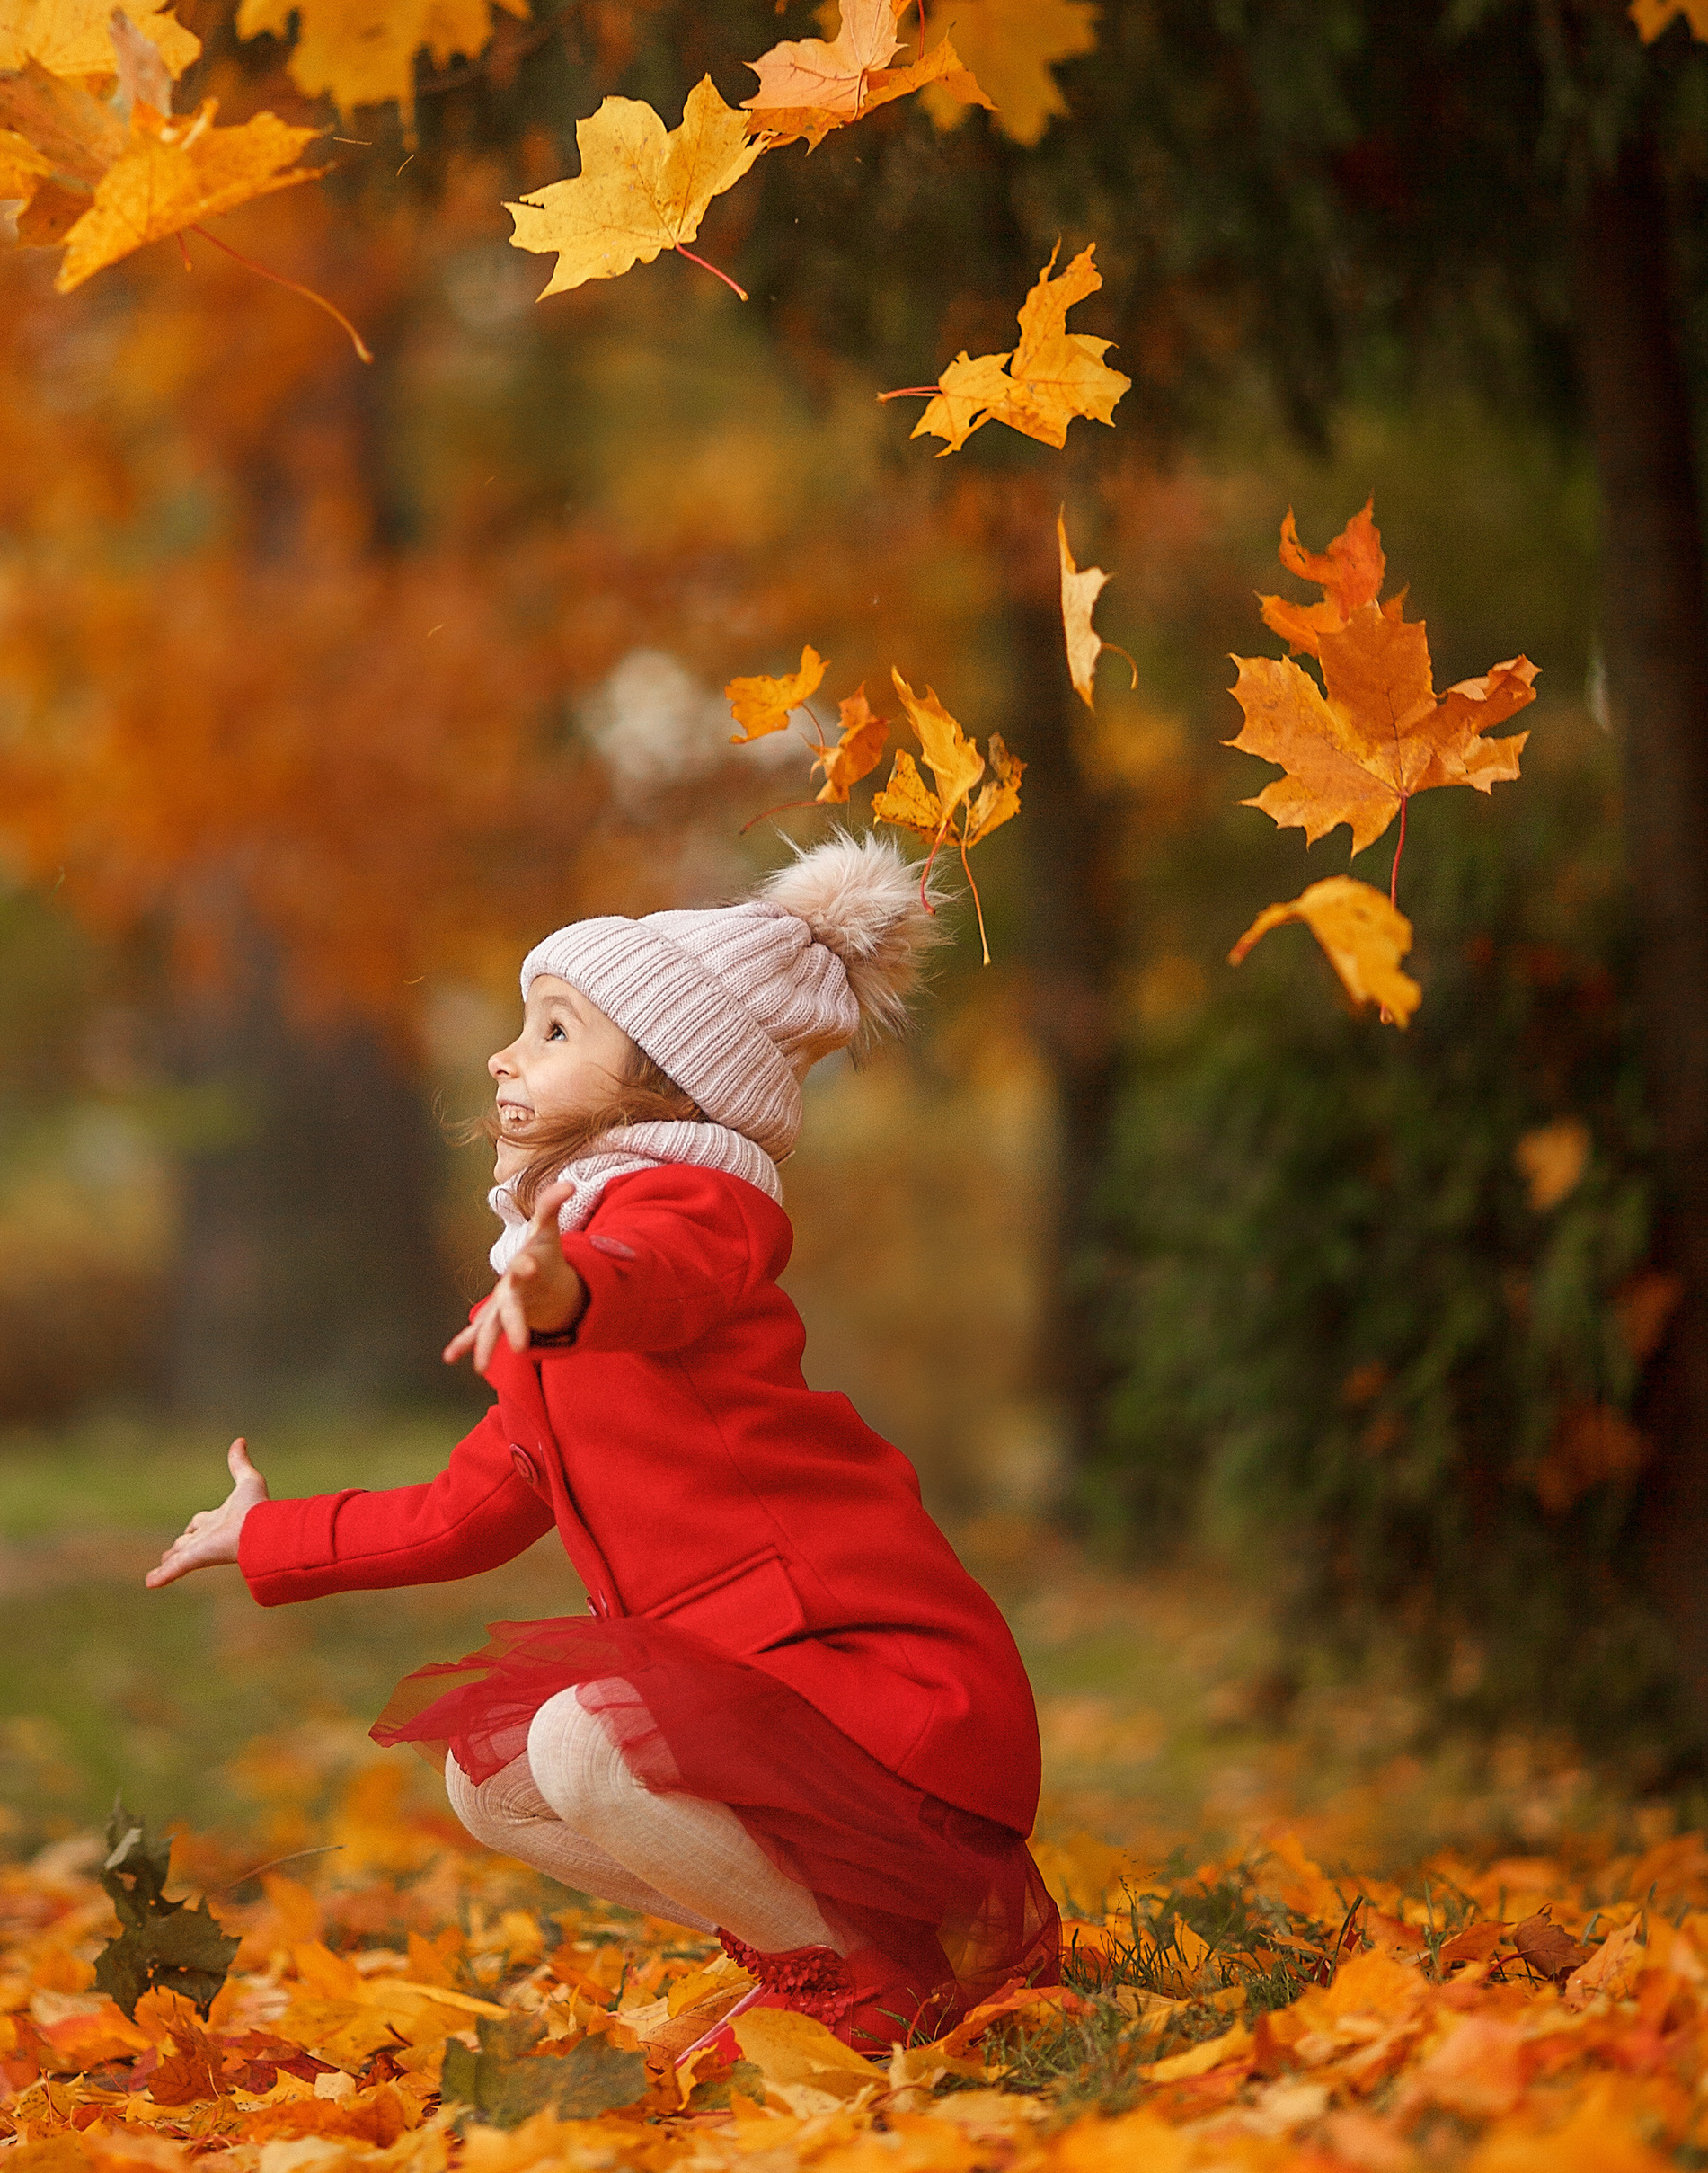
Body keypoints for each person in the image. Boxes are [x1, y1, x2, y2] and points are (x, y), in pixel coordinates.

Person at [147, 832, 1058, 2056]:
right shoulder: (552, 1282)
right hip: (772, 1693)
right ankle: (853, 1957)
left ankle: (844, 1987)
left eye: (558, 1029)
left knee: (584, 1740)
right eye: (526, 1026)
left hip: (872, 1680)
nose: (505, 1053)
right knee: (499, 1780)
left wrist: (572, 1285)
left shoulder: (690, 1209)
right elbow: (464, 1511)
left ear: (666, 1084)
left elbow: (665, 1279)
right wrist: (267, 1534)